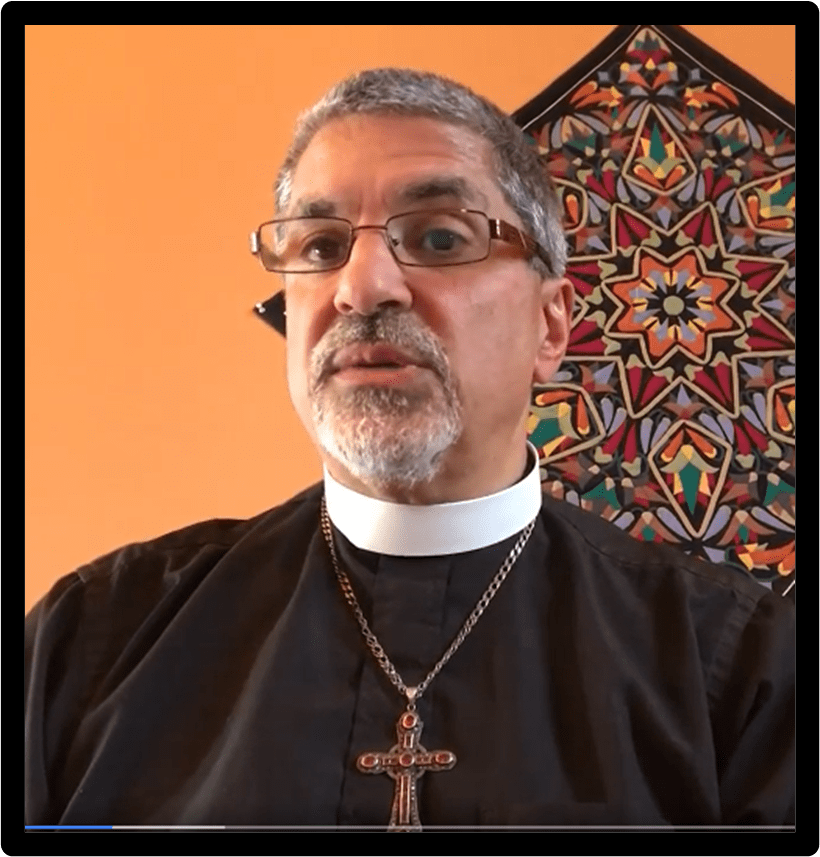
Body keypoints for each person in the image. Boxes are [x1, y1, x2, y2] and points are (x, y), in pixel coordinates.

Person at [25, 68, 794, 831]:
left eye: (439, 237)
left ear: (551, 326)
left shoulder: (737, 673)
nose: (362, 288)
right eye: (321, 245)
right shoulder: (89, 642)